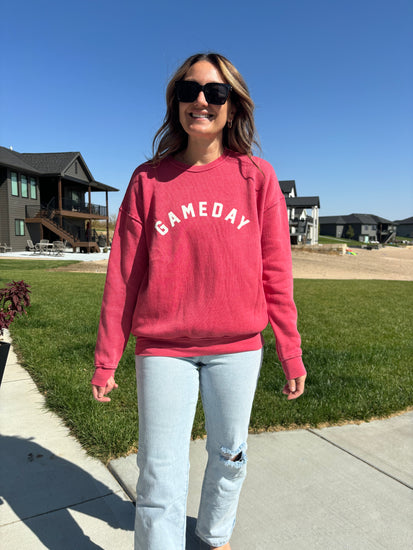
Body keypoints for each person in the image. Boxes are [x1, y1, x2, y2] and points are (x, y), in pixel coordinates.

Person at [91, 52, 306, 550]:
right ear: (176, 104)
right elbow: (123, 277)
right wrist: (107, 359)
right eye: (189, 91)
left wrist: (289, 349)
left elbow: (277, 272)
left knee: (230, 456)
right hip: (163, 349)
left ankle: (215, 537)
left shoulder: (258, 177)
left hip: (237, 347)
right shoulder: (148, 181)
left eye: (215, 92)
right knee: (159, 475)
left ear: (233, 105)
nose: (201, 101)